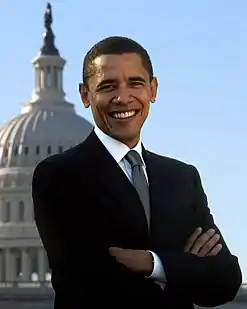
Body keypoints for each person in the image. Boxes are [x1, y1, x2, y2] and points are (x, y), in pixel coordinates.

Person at [32, 36, 242, 308]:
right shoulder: (58, 175)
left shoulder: (181, 177)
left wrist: (152, 264)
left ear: (153, 90)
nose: (123, 98)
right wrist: (185, 268)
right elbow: (86, 283)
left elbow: (225, 280)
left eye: (135, 83)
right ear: (86, 95)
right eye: (108, 86)